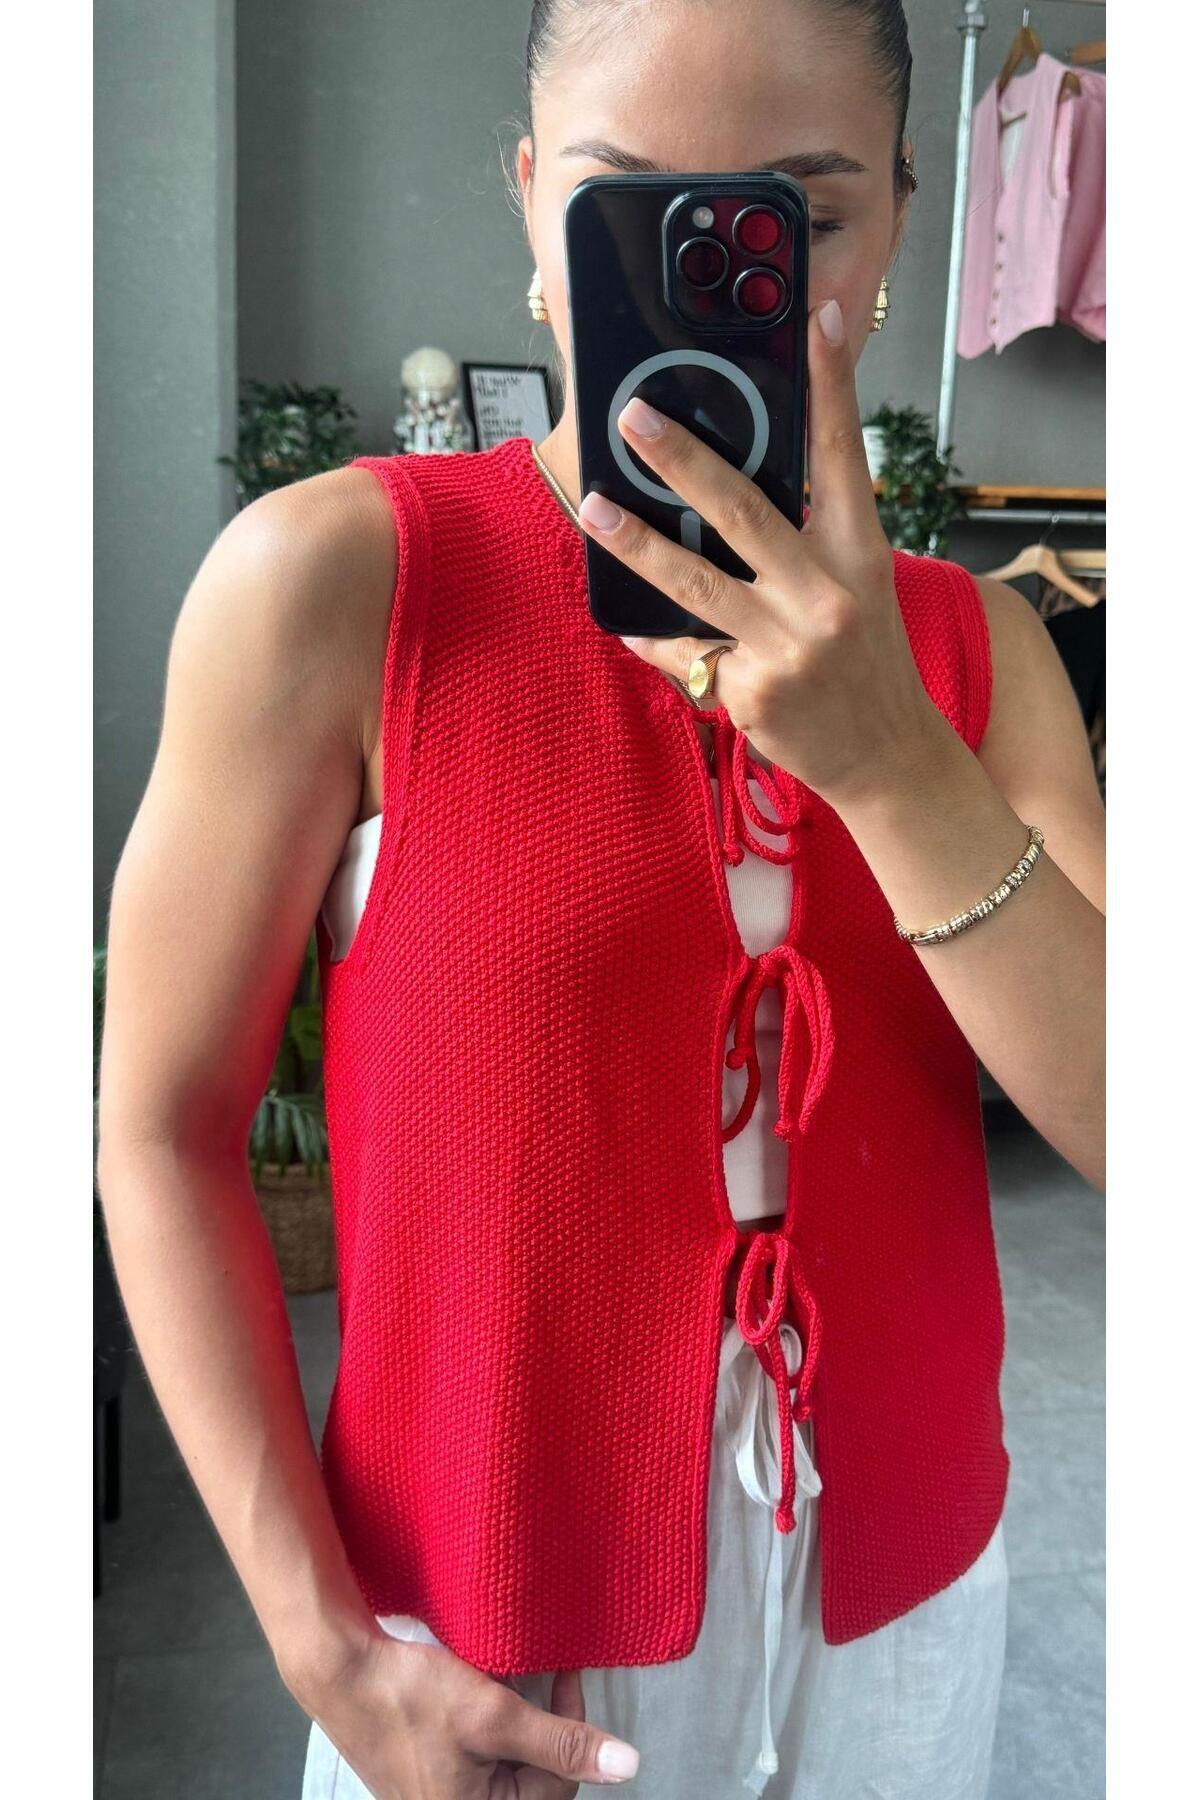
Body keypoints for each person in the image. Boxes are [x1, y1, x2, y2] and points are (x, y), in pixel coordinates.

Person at [95, 2, 1106, 1797]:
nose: (712, 285)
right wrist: (330, 1655)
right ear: (528, 208)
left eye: (800, 217)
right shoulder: (340, 584)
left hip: (902, 1603)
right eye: (626, 208)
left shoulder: (984, 651)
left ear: (902, 213)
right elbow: (161, 1129)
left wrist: (893, 765)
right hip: (486, 1616)